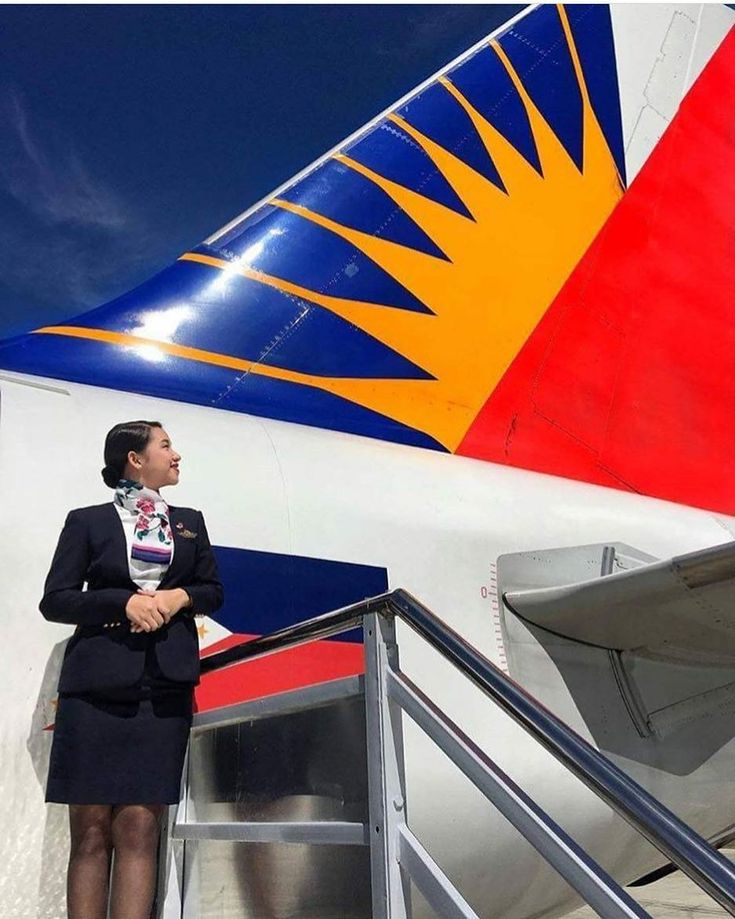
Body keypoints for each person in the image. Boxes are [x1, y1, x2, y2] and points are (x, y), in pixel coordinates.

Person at [40, 420, 224, 919]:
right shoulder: (88, 521)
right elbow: (55, 600)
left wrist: (177, 596)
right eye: (166, 446)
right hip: (96, 688)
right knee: (92, 828)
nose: (177, 455)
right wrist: (123, 603)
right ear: (134, 459)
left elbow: (212, 590)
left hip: (162, 688)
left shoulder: (190, 521)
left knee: (141, 826)